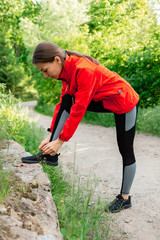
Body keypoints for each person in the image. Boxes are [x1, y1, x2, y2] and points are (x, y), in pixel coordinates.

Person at [21, 41, 139, 213]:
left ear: (56, 60)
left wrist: (60, 141)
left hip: (124, 101)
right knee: (67, 100)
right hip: (105, 100)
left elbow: (79, 109)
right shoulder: (67, 70)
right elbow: (64, 104)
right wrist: (51, 136)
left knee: (126, 149)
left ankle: (125, 198)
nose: (45, 76)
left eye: (44, 70)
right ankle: (50, 156)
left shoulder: (84, 70)